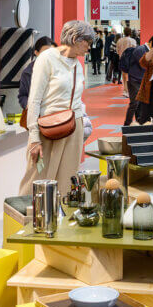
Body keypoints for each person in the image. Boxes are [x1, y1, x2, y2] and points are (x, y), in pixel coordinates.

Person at [19, 20, 94, 195]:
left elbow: (77, 99)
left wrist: (83, 125)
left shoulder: (77, 64)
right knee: (36, 180)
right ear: (75, 39)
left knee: (66, 183)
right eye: (88, 42)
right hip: (48, 128)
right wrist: (34, 138)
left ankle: (60, 212)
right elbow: (34, 100)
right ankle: (28, 212)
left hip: (73, 128)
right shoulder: (47, 58)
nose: (89, 47)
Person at [18, 36, 55, 112]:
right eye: (45, 53)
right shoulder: (27, 73)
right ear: (36, 53)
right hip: (36, 113)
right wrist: (29, 105)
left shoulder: (59, 69)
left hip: (55, 112)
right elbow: (23, 96)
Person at [120, 33, 148, 125]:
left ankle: (138, 122)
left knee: (138, 103)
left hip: (132, 73)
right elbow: (143, 64)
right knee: (135, 103)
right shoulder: (140, 49)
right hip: (135, 78)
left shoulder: (120, 41)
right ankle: (127, 124)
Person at [116, 29, 137, 96]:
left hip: (122, 58)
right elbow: (135, 50)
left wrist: (121, 54)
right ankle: (128, 91)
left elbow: (117, 50)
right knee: (129, 75)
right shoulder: (133, 40)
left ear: (124, 32)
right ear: (130, 33)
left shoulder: (120, 40)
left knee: (124, 75)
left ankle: (125, 90)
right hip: (131, 59)